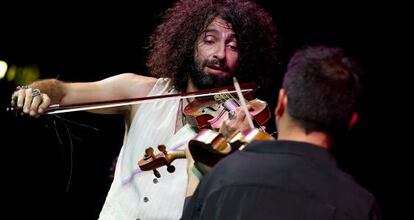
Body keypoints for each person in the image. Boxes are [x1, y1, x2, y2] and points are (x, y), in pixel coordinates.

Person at [10, 0, 278, 219]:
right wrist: (38, 91)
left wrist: (241, 152)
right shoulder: (140, 91)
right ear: (189, 43)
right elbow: (64, 90)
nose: (221, 53)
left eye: (233, 46)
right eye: (210, 40)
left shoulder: (241, 122)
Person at [182, 45, 382, 219]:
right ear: (351, 122)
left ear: (281, 103)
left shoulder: (223, 175)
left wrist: (196, 171)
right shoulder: (360, 205)